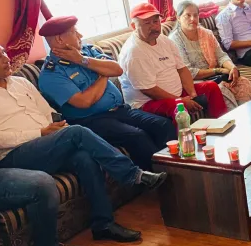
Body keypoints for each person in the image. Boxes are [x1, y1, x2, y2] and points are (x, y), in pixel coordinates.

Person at [0, 36, 167, 243]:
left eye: (4, 52)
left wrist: (56, 128)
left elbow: (48, 112)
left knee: (84, 158)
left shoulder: (21, 82)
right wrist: (41, 133)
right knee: (77, 132)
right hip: (13, 156)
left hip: (46, 144)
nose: (6, 58)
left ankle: (103, 224)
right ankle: (133, 174)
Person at [38, 16, 176, 171]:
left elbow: (117, 69)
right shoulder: (51, 74)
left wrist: (82, 60)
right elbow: (85, 101)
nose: (80, 35)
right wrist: (103, 73)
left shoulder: (87, 51)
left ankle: (178, 171)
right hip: (92, 120)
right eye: (74, 32)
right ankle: (159, 179)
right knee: (137, 136)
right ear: (59, 39)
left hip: (120, 110)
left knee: (163, 125)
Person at [118, 3, 228, 120]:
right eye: (147, 23)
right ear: (134, 26)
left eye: (156, 21)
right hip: (147, 103)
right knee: (178, 108)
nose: (153, 26)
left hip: (176, 94)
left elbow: (182, 69)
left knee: (211, 87)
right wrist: (180, 100)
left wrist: (192, 94)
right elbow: (150, 90)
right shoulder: (134, 52)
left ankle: (221, 125)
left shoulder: (164, 40)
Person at [170, 0, 251, 110]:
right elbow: (188, 72)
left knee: (242, 82)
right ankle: (234, 119)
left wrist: (232, 68)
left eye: (195, 15)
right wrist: (218, 70)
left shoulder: (206, 33)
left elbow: (221, 56)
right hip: (195, 82)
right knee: (221, 90)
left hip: (216, 76)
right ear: (178, 17)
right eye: (188, 15)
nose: (192, 19)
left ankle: (250, 116)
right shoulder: (175, 40)